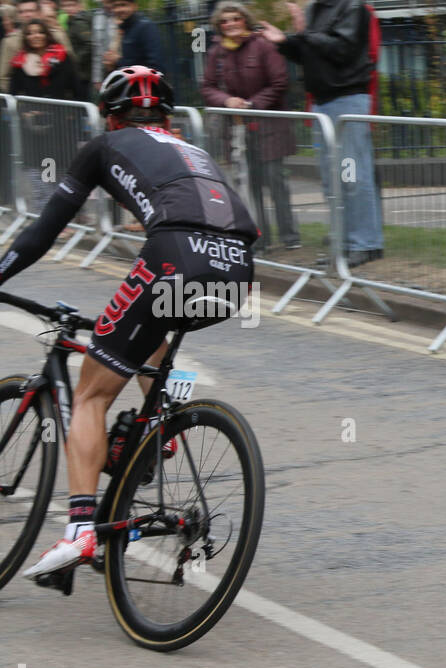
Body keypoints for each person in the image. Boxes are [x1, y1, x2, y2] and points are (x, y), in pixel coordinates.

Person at [0, 66, 258, 579]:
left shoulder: (102, 147)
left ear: (110, 116)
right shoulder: (193, 150)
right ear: (165, 115)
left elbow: (42, 234)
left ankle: (79, 533)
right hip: (238, 268)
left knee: (93, 392)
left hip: (175, 255)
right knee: (147, 333)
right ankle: (156, 430)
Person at [260, 0, 383, 268]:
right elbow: (309, 51)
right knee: (331, 179)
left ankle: (365, 243)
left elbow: (343, 50)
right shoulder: (315, 10)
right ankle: (344, 242)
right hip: (322, 101)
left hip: (347, 99)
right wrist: (284, 42)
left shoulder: (353, 7)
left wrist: (304, 34)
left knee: (352, 174)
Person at [200, 1, 300, 251]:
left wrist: (252, 104)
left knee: (276, 182)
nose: (231, 24)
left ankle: (290, 237)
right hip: (237, 130)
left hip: (269, 125)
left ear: (244, 19)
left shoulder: (263, 46)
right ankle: (260, 238)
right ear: (219, 26)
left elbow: (280, 82)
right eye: (225, 21)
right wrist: (227, 101)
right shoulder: (217, 52)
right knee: (249, 184)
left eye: (235, 18)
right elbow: (207, 86)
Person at [9, 19, 78, 209]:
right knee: (39, 169)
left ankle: (60, 211)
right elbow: (13, 94)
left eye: (39, 32)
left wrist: (72, 114)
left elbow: (76, 87)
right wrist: (25, 113)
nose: (35, 36)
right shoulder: (19, 62)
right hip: (34, 129)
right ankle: (46, 210)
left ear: (46, 34)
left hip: (60, 126)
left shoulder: (62, 57)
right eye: (30, 33)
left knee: (58, 169)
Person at [0, 0, 69, 92]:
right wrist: (18, 97)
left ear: (39, 12)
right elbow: (3, 76)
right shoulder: (10, 42)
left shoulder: (57, 35)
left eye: (31, 11)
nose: (26, 15)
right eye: (22, 12)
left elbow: (70, 68)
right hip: (25, 99)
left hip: (57, 98)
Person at [101, 0, 161, 75]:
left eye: (123, 5)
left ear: (134, 6)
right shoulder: (123, 29)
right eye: (115, 6)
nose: (119, 10)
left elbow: (155, 66)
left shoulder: (146, 27)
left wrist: (117, 61)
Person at [57, 0, 91, 98]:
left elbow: (89, 43)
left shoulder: (78, 23)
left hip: (83, 72)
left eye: (71, 5)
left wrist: (76, 60)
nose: (68, 8)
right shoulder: (70, 21)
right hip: (80, 72)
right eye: (65, 6)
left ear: (79, 6)